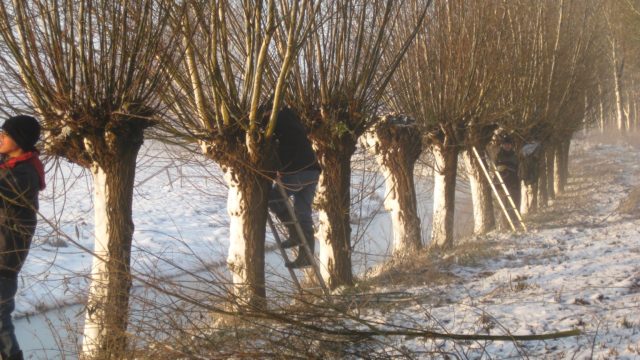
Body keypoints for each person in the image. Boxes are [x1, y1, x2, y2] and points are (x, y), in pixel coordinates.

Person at [0, 115, 45, 360]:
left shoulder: (24, 173)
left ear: (19, 140)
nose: (0, 138)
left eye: (5, 134)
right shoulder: (10, 165)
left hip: (5, 257)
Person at [268, 108, 320, 268]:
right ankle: (307, 257)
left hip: (298, 172)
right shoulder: (293, 120)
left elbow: (279, 150)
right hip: (313, 171)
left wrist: (274, 172)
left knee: (274, 198)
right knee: (304, 212)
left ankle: (295, 234)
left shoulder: (275, 122)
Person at [495, 135, 521, 224]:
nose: (507, 146)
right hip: (502, 183)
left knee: (515, 202)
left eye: (509, 144)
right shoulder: (498, 155)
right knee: (504, 205)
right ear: (502, 145)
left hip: (513, 182)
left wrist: (507, 167)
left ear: (511, 145)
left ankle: (515, 221)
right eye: (505, 144)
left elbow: (517, 167)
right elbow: (495, 168)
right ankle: (505, 224)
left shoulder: (515, 155)